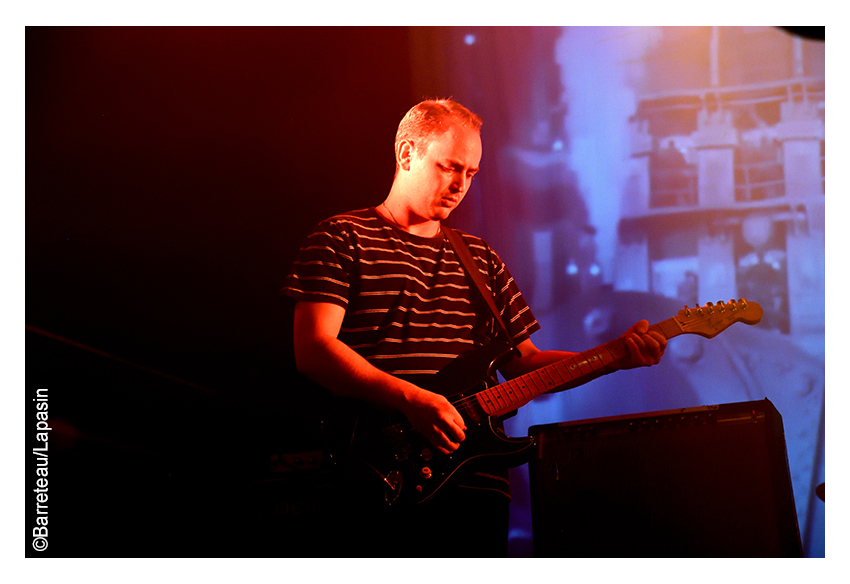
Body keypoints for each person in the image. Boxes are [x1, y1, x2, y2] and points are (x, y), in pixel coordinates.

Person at [282, 99, 666, 557]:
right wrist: (412, 399)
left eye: (471, 173)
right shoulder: (343, 237)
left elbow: (526, 367)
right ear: (407, 154)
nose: (460, 185)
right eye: (450, 167)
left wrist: (613, 357)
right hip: (377, 468)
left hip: (476, 483)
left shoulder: (481, 259)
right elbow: (313, 348)